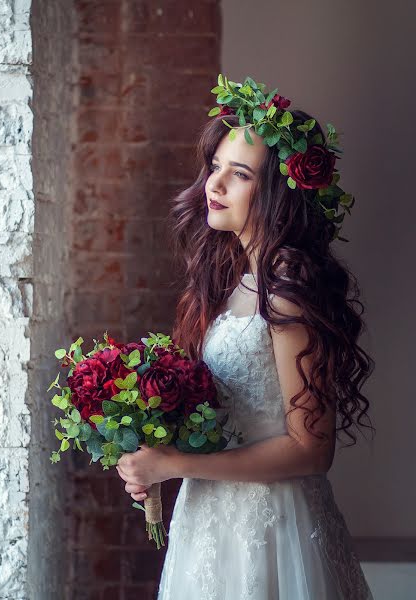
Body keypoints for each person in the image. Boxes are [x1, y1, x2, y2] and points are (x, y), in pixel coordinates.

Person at [115, 75, 376, 599]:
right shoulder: (240, 280)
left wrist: (173, 464)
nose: (213, 185)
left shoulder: (286, 289)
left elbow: (310, 449)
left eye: (238, 175)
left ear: (278, 194)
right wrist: (156, 445)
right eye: (214, 168)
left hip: (271, 525)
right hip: (211, 515)